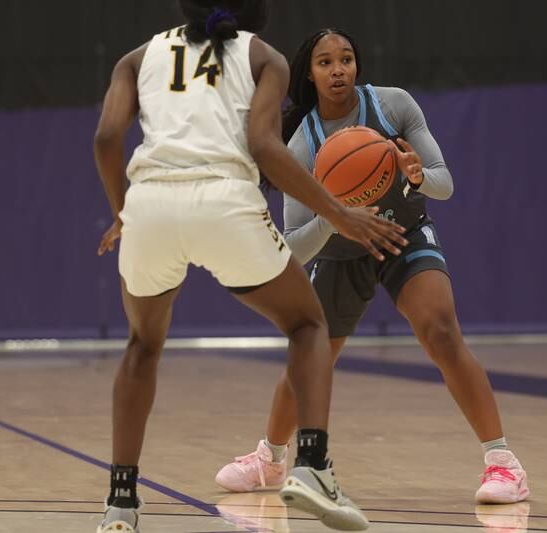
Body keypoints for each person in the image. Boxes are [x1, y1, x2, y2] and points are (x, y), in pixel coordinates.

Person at [93, 4, 406, 532]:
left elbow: (106, 139)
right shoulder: (264, 57)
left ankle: (120, 503)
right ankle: (311, 466)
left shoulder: (137, 57)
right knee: (307, 325)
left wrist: (123, 212)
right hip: (224, 201)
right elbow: (263, 145)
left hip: (150, 204)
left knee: (142, 346)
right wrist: (339, 214)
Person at [216, 28, 529, 505]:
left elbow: (444, 185)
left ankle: (503, 463)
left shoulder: (393, 105)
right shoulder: (302, 145)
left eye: (345, 59)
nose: (337, 70)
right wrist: (333, 215)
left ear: (357, 64)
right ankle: (270, 460)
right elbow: (293, 248)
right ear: (310, 74)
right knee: (310, 356)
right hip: (341, 252)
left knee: (442, 332)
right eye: (325, 62)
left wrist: (417, 176)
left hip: (403, 234)